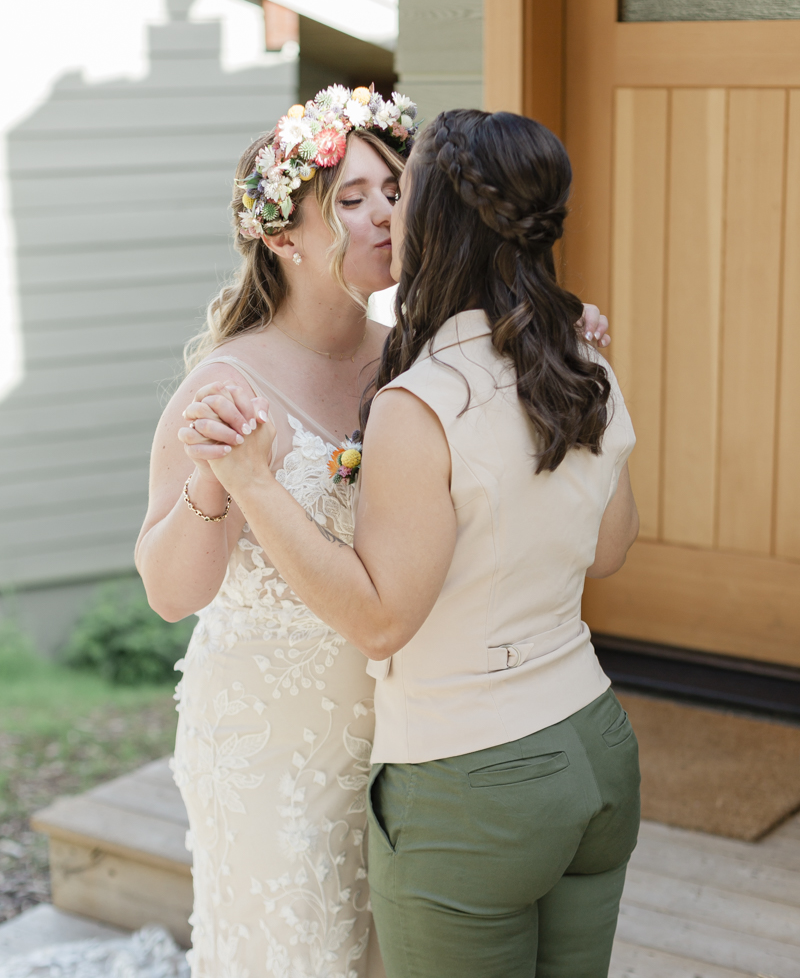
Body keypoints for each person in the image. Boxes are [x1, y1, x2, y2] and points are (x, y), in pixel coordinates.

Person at [139, 84, 609, 978]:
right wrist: (218, 475)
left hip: (411, 728)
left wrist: (566, 339)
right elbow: (169, 594)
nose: (388, 215)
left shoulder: (418, 344)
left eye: (394, 190)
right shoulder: (224, 383)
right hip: (272, 736)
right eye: (351, 201)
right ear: (282, 237)